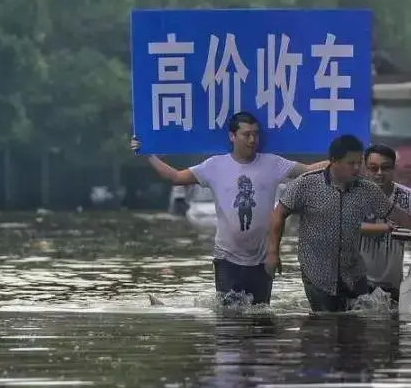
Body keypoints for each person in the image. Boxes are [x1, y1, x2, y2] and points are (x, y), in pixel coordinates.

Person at [130, 112, 327, 305]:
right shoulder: (215, 165)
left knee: (261, 315)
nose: (252, 140)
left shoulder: (272, 163)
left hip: (262, 257)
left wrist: (338, 160)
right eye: (246, 134)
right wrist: (148, 155)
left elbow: (308, 170)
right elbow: (176, 177)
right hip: (227, 257)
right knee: (229, 317)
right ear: (232, 136)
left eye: (255, 134)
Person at [266, 135, 411, 312]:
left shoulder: (367, 189)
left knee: (359, 322)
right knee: (324, 323)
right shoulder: (306, 184)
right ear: (334, 161)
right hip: (317, 272)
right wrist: (273, 252)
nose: (356, 168)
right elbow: (278, 215)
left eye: (358, 163)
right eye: (351, 163)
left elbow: (397, 215)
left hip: (353, 273)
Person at [359, 144, 411, 300]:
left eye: (385, 168)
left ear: (393, 169)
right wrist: (382, 228)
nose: (379, 173)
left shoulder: (406, 196)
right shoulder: (353, 195)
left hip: (393, 285)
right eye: (373, 168)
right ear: (365, 170)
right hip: (358, 282)